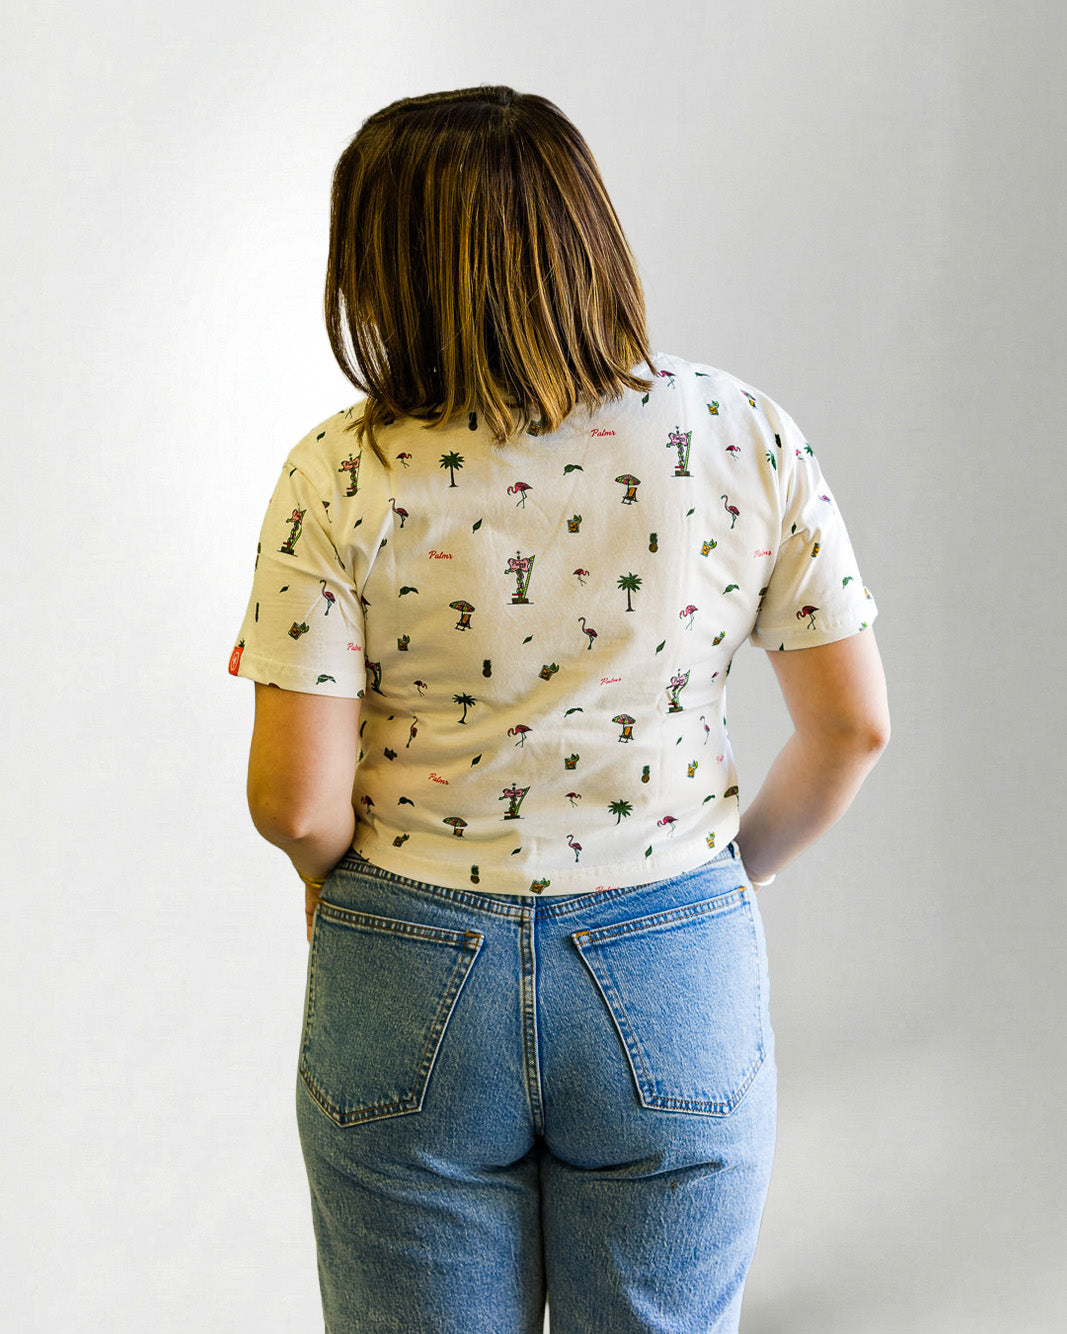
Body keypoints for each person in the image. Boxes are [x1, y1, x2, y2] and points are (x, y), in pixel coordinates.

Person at [229, 85, 890, 1334]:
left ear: (380, 264)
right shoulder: (739, 431)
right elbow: (853, 724)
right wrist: (705, 885)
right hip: (670, 949)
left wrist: (330, 875)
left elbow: (293, 798)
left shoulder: (339, 468)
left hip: (408, 957)